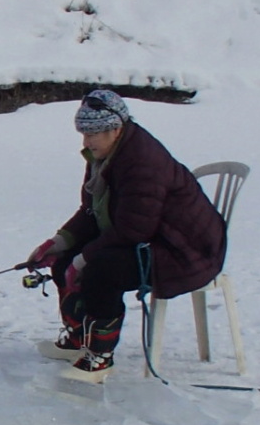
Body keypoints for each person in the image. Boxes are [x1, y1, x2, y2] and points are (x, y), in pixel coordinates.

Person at [24, 89, 227, 382]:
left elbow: (134, 229)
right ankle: (78, 338)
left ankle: (100, 357)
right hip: (151, 238)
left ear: (116, 129)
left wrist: (84, 259)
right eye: (83, 133)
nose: (86, 141)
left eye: (93, 134)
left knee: (102, 270)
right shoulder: (105, 155)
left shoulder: (143, 162)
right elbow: (92, 211)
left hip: (184, 251)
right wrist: (60, 242)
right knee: (63, 259)